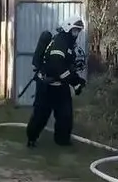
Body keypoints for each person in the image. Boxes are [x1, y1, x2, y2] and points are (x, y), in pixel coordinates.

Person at [25, 18, 86, 148]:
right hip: (47, 87)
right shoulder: (60, 43)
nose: (76, 34)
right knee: (40, 116)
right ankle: (31, 139)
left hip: (60, 87)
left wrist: (77, 80)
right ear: (67, 28)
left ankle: (62, 141)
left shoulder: (68, 44)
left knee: (65, 116)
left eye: (78, 31)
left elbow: (67, 67)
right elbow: (58, 67)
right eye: (75, 30)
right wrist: (75, 83)